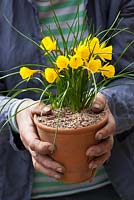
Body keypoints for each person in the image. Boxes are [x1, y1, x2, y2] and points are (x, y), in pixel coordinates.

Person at [0, 0, 134, 200]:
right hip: (15, 189)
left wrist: (108, 104)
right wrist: (15, 112)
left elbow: (130, 77)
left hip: (114, 186)